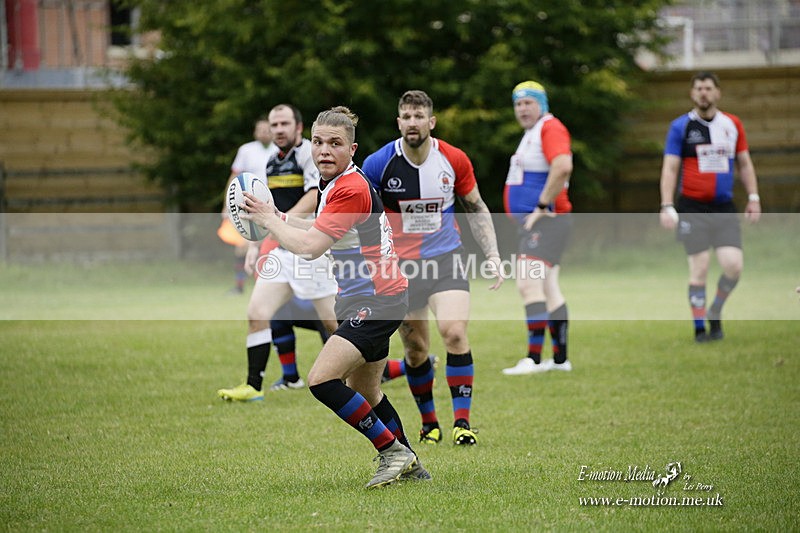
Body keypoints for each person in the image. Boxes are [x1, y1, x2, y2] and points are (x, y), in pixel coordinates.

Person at [241, 106, 429, 488]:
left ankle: (392, 452)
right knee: (366, 391)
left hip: (377, 300)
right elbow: (317, 225)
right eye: (318, 142)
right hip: (370, 297)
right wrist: (279, 215)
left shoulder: (350, 188)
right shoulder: (337, 183)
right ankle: (411, 464)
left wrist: (268, 220)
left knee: (322, 380)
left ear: (352, 149)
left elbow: (309, 247)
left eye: (335, 143)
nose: (324, 150)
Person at [362, 90, 503, 446]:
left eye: (419, 116)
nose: (413, 122)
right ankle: (430, 424)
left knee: (453, 332)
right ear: (399, 122)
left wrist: (492, 254)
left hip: (446, 259)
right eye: (407, 116)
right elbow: (363, 216)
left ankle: (462, 423)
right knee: (416, 349)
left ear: (431, 121)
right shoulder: (378, 164)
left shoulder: (453, 159)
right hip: (400, 269)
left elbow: (476, 206)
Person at [217, 104, 338, 402]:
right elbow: (265, 207)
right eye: (274, 125)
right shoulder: (272, 161)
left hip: (312, 250)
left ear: (298, 127)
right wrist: (254, 245)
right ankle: (253, 386)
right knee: (257, 313)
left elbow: (313, 197)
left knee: (333, 323)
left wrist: (278, 221)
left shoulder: (309, 154)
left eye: (285, 124)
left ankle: (363, 374)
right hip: (283, 252)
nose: (279, 130)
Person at [659, 71, 761, 342]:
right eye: (699, 89)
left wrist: (753, 197)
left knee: (733, 266)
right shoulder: (681, 127)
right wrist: (667, 205)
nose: (703, 93)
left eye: (708, 88)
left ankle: (715, 310)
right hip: (692, 207)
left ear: (717, 93)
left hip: (723, 207)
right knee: (700, 268)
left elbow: (744, 163)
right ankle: (700, 328)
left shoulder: (732, 124)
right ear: (692, 94)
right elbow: (670, 168)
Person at [501, 81, 574, 376]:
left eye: (528, 102)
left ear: (541, 104)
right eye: (518, 104)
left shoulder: (550, 127)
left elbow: (563, 166)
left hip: (546, 222)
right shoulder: (532, 133)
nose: (522, 109)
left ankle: (533, 359)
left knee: (528, 283)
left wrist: (542, 206)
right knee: (548, 287)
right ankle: (560, 360)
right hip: (541, 223)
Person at [220, 116, 277, 294]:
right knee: (242, 246)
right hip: (248, 204)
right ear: (255, 132)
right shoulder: (246, 150)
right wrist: (227, 205)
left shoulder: (280, 150)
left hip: (274, 205)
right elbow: (234, 177)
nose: (264, 133)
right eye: (261, 129)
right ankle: (239, 286)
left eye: (268, 129)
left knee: (274, 243)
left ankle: (270, 284)